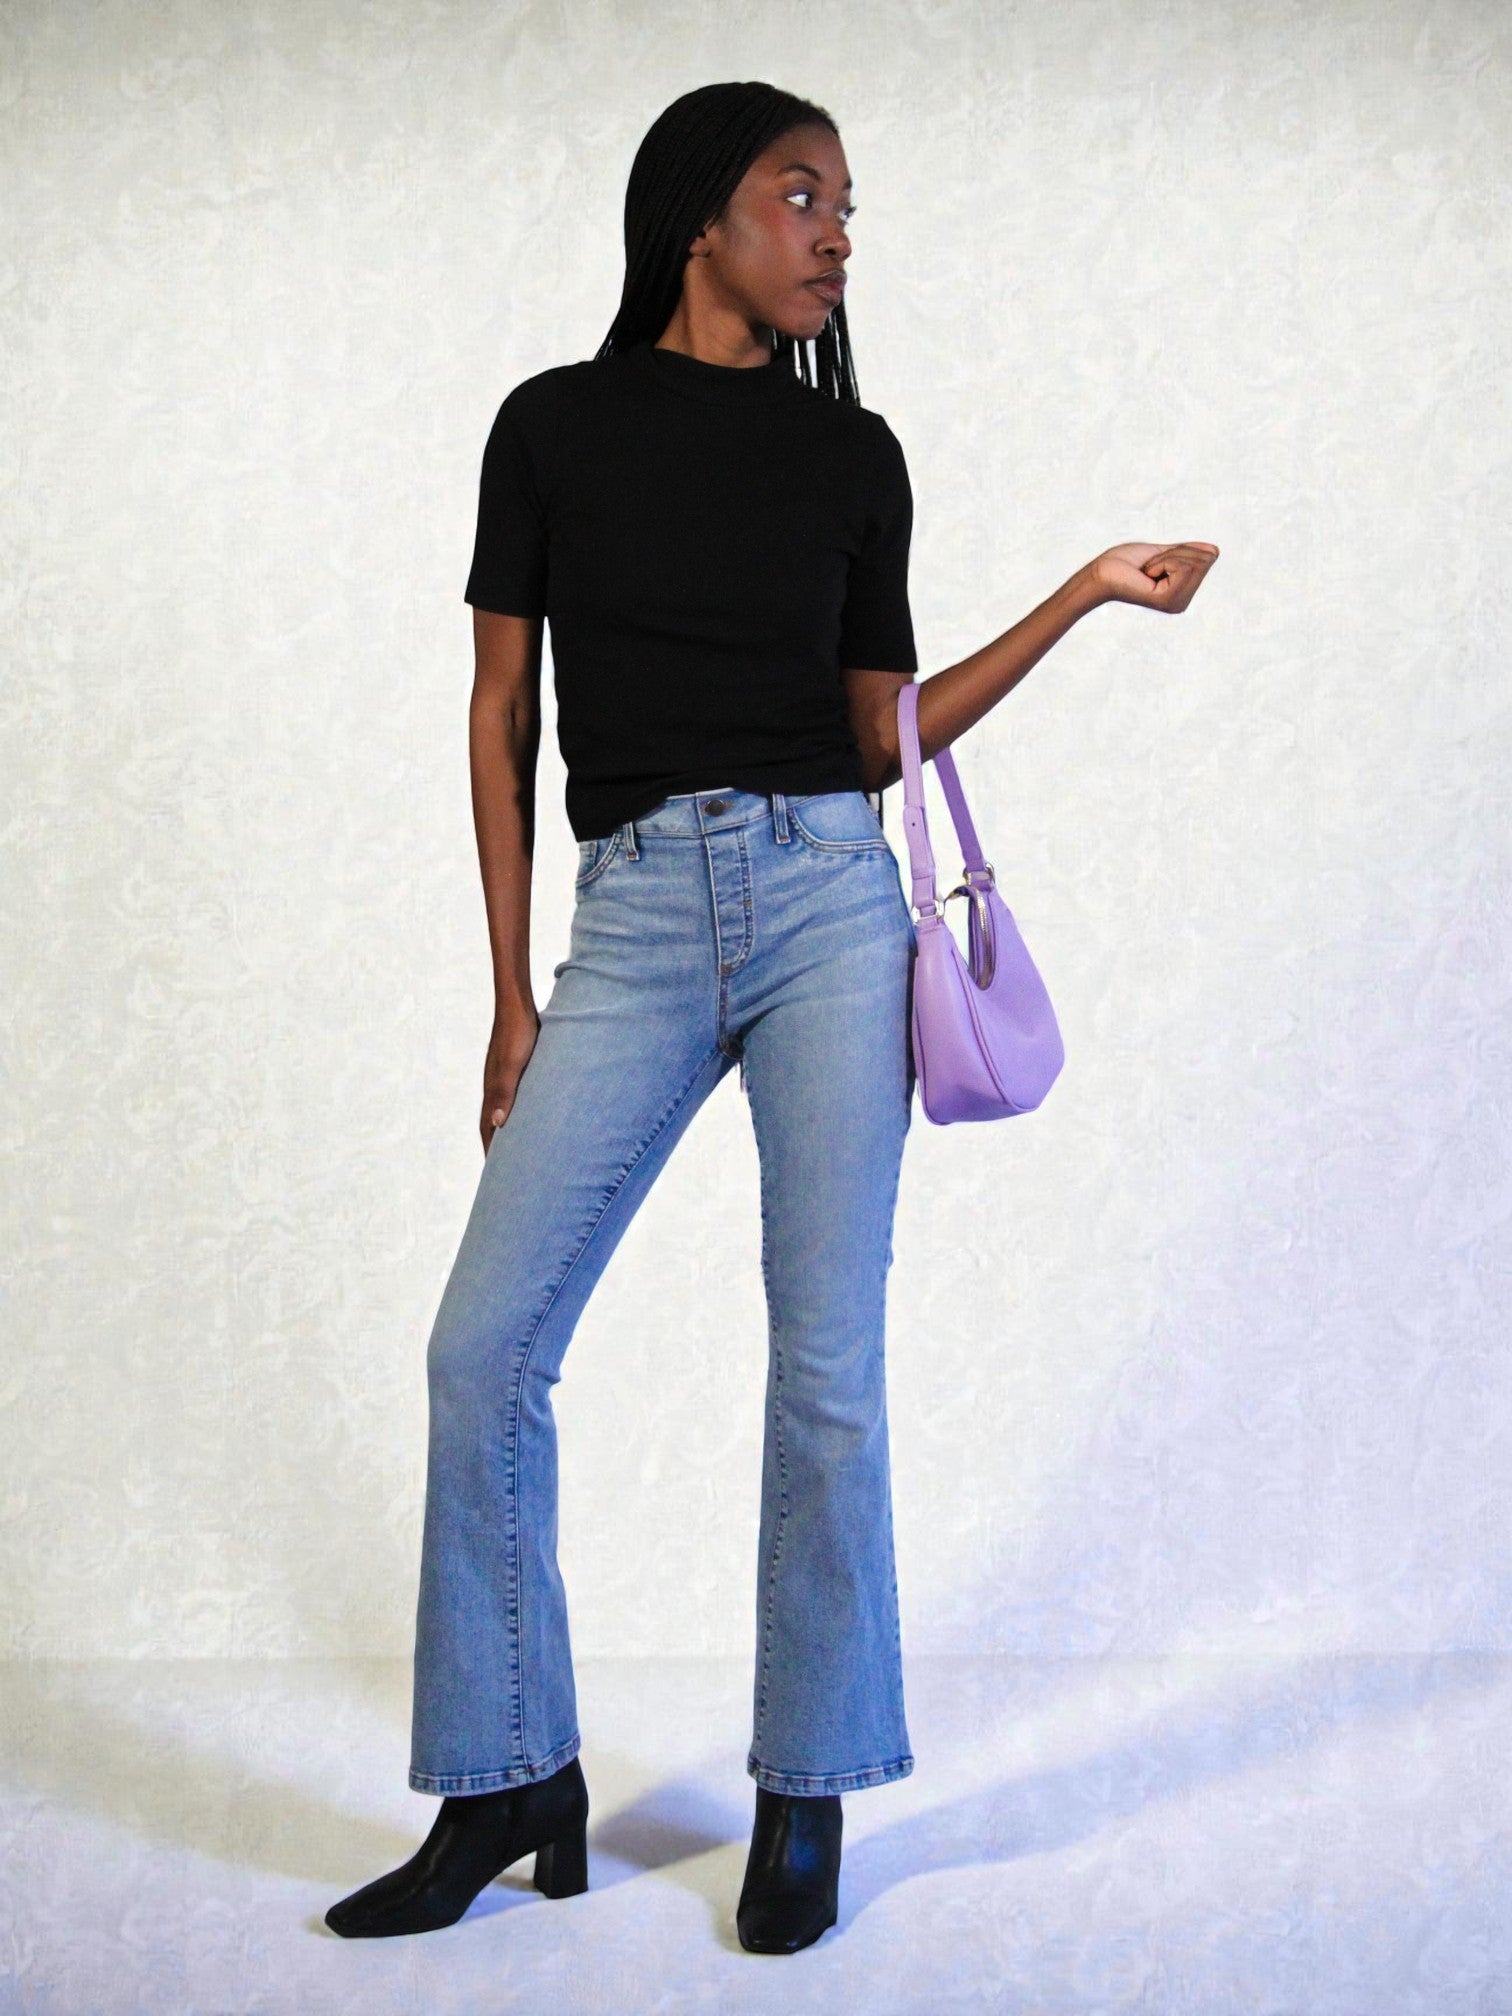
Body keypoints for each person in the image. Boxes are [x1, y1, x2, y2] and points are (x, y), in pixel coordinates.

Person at [324, 78, 1219, 1957]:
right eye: (800, 195)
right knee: (485, 1351)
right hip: (636, 918)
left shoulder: (852, 454)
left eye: (847, 207)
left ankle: (807, 1790)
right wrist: (506, 993)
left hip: (826, 906)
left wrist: (1078, 594)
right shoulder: (551, 427)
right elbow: (499, 717)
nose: (835, 233)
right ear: (697, 218)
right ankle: (507, 1777)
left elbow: (880, 737)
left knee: (825, 1369)